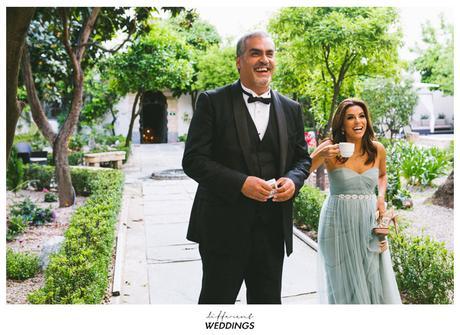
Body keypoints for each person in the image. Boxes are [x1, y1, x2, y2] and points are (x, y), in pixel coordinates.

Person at [182, 31, 311, 304]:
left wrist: (293, 180)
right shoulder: (212, 102)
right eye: (255, 53)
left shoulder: (291, 109)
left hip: (272, 231)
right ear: (239, 61)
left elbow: (302, 160)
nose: (264, 60)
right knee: (216, 306)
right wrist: (240, 183)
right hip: (221, 229)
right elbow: (193, 160)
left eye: (270, 53)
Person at [309, 98, 401, 304]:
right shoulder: (330, 147)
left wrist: (380, 198)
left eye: (361, 116)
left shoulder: (377, 149)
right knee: (340, 284)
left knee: (371, 277)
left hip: (367, 221)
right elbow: (302, 172)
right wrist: (319, 152)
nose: (357, 121)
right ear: (341, 123)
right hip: (336, 222)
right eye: (350, 117)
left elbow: (383, 175)